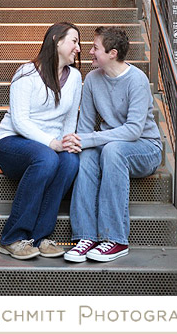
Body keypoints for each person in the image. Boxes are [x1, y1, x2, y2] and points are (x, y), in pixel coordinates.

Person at [64, 26, 162, 263]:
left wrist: (91, 139)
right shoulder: (93, 79)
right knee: (87, 155)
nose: (89, 52)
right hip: (110, 147)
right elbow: (86, 127)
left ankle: (115, 239)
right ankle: (86, 236)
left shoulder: (137, 80)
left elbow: (133, 130)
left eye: (95, 48)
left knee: (112, 149)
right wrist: (79, 142)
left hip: (145, 148)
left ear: (112, 53)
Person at [0, 22, 83, 260]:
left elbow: (69, 119)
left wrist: (66, 143)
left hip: (48, 149)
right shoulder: (26, 73)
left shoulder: (74, 77)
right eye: (74, 41)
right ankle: (12, 238)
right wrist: (52, 143)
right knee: (46, 159)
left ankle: (41, 237)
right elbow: (20, 121)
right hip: (13, 144)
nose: (78, 48)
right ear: (56, 40)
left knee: (71, 163)